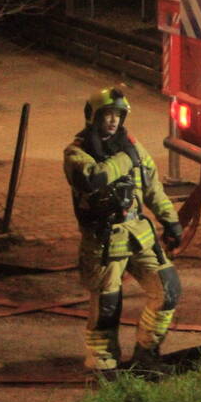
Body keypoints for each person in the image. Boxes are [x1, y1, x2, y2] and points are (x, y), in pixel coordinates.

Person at [63, 87, 184, 374]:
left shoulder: (132, 146)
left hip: (139, 235)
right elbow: (92, 179)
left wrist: (171, 221)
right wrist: (128, 157)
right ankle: (103, 365)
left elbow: (152, 187)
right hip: (103, 242)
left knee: (168, 290)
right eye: (107, 115)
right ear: (93, 116)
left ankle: (147, 354)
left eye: (118, 115)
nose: (113, 121)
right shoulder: (76, 152)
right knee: (107, 305)